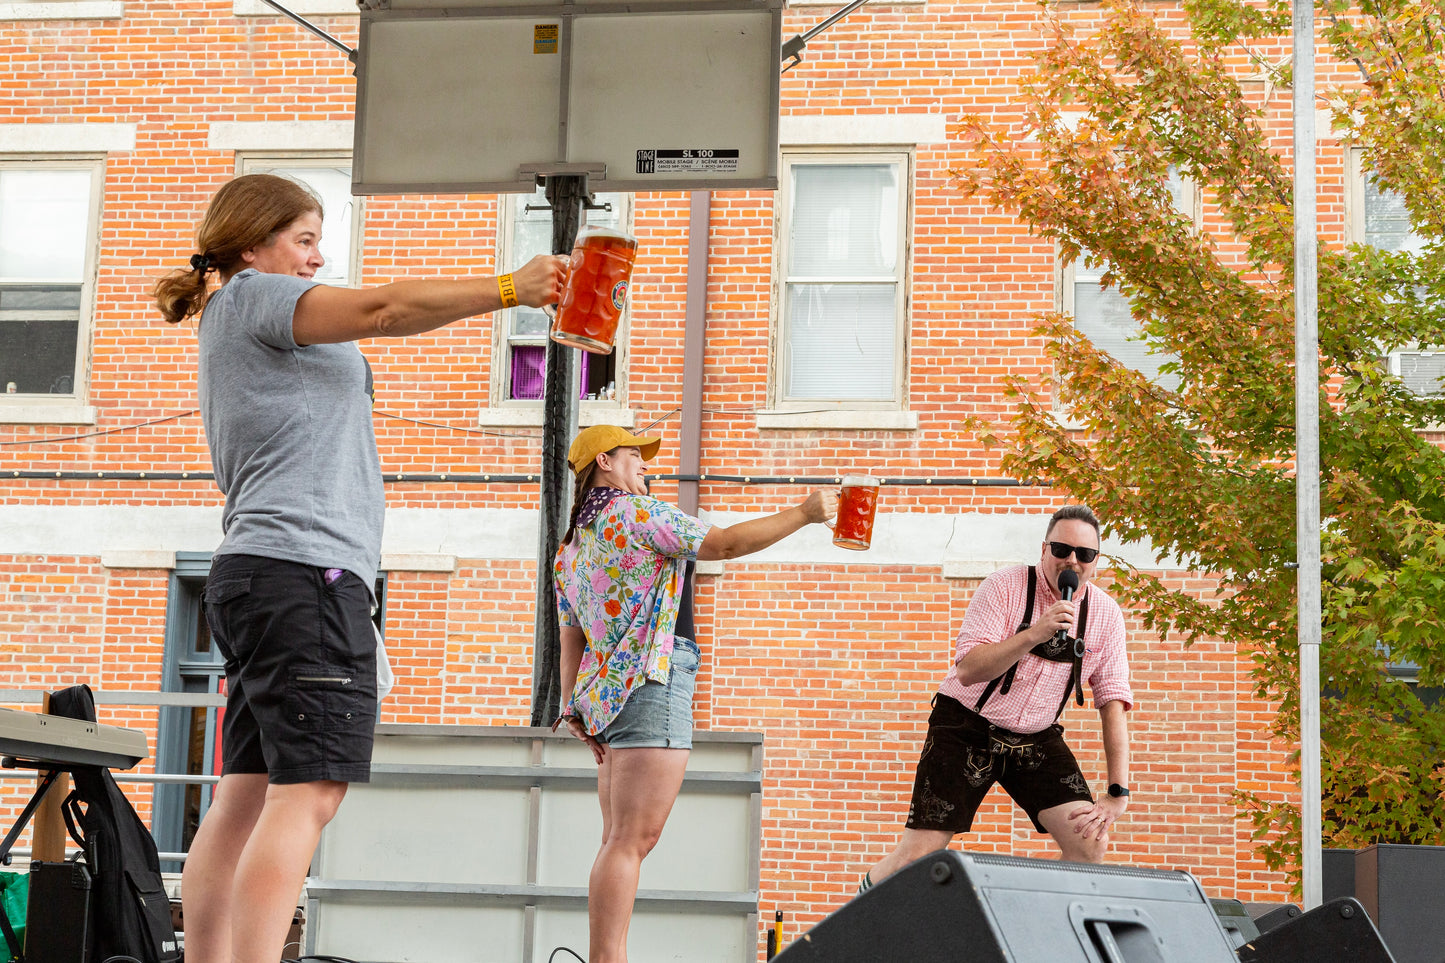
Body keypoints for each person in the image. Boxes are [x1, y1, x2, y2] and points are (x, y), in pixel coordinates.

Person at [152, 173, 566, 963]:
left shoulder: (235, 316)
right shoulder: (253, 298)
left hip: (266, 571)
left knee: (243, 795)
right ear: (253, 244)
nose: (317, 255)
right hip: (302, 573)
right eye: (303, 238)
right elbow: (383, 309)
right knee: (309, 792)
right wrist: (513, 285)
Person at [553, 425, 838, 963]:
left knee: (618, 837)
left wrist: (574, 708)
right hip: (652, 682)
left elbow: (571, 634)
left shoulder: (569, 547)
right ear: (604, 464)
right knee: (630, 841)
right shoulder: (638, 515)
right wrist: (804, 513)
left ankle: (605, 958)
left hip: (608, 697)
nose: (643, 465)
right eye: (633, 455)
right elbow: (725, 544)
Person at [860, 505, 1133, 891]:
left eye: (1084, 554)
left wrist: (1117, 791)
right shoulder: (1004, 587)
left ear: (1095, 562)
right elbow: (969, 670)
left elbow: (1113, 701)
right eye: (1061, 550)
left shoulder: (1106, 615)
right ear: (1043, 550)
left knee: (1090, 843)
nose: (1071, 560)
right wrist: (1034, 634)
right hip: (966, 727)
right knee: (919, 857)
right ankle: (863, 908)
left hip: (1036, 739)